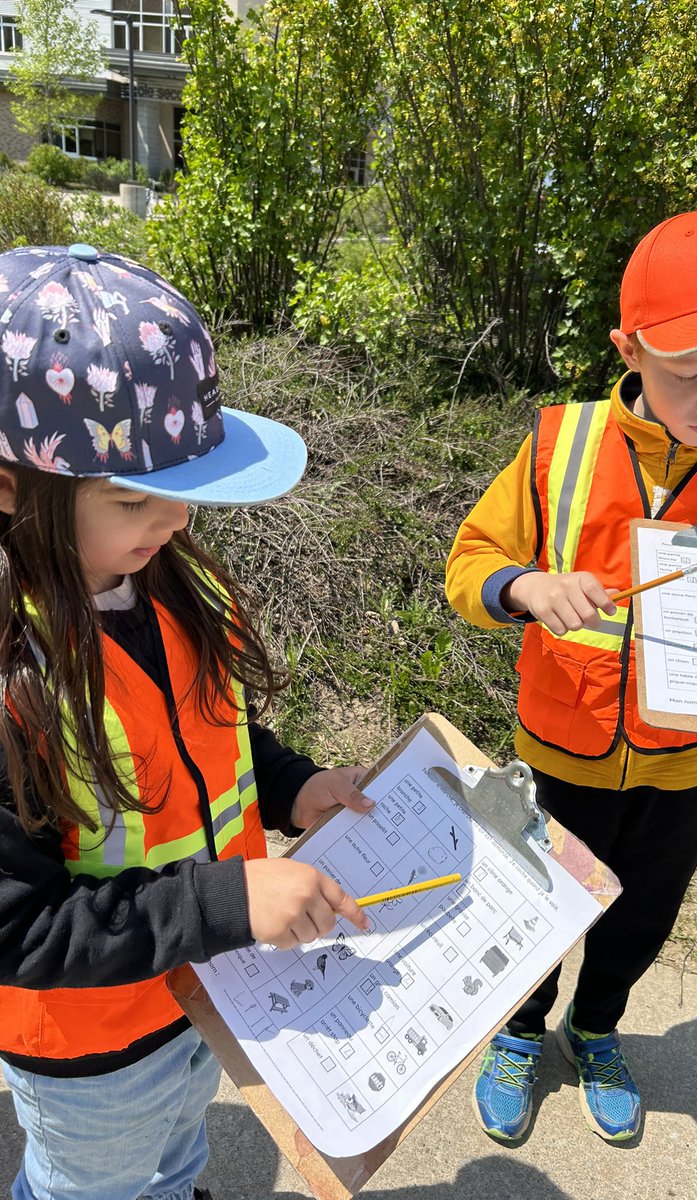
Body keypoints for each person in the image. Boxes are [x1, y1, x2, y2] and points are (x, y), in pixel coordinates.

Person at [445, 208, 697, 1145]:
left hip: (686, 761)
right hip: (561, 747)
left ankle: (598, 1028)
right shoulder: (559, 445)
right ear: (628, 346)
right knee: (539, 904)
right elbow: (469, 562)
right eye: (689, 375)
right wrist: (526, 586)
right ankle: (518, 1028)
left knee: (641, 915)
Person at [0, 244, 372, 1200]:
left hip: (206, 989)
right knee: (94, 1182)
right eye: (132, 496)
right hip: (91, 1045)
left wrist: (292, 786)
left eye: (188, 487)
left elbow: (217, 735)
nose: (172, 519)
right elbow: (21, 930)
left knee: (177, 1149)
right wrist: (223, 905)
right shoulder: (12, 675)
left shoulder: (171, 577)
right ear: (11, 489)